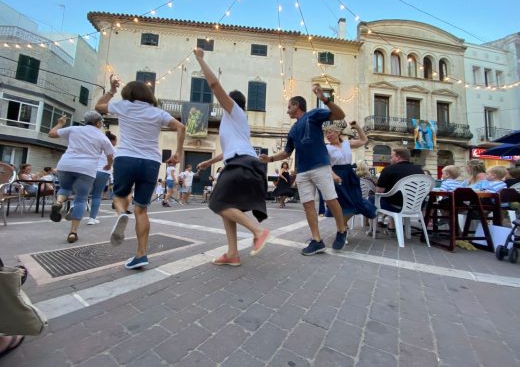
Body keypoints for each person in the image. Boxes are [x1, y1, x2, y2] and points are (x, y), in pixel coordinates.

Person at [95, 74, 185, 269]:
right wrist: (178, 152)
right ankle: (141, 254)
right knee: (142, 209)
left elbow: (98, 107)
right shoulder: (157, 112)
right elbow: (181, 126)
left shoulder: (123, 105)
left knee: (119, 196)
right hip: (151, 162)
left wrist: (111, 90)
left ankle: (121, 214)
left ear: (129, 93)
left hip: (126, 158)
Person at [194, 47, 270, 266]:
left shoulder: (234, 111)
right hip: (243, 164)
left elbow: (215, 86)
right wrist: (209, 161)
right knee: (227, 208)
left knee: (217, 202)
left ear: (232, 102)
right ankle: (232, 254)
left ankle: (258, 231)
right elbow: (230, 150)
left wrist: (200, 59)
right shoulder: (236, 123)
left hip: (242, 165)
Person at [260, 85, 348, 255]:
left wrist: (324, 99)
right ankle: (317, 241)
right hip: (302, 171)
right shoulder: (292, 129)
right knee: (308, 205)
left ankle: (342, 230)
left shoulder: (313, 114)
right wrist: (269, 159)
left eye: (288, 107)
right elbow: (286, 152)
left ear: (296, 105)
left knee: (331, 200)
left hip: (320, 166)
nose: (287, 111)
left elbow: (340, 115)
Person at [48, 112, 115, 243]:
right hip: (86, 169)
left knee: (65, 188)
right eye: (101, 122)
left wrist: (60, 123)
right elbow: (110, 154)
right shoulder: (102, 137)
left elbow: (51, 134)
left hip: (66, 164)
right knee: (80, 199)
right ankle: (73, 233)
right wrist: (108, 165)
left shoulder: (73, 129)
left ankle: (59, 202)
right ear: (97, 122)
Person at [324, 122, 376, 246]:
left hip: (350, 175)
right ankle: (342, 231)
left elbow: (364, 140)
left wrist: (358, 127)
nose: (328, 135)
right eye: (326, 133)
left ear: (338, 132)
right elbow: (325, 164)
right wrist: (333, 175)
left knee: (355, 203)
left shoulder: (347, 144)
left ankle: (342, 228)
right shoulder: (326, 148)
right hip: (336, 176)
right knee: (341, 206)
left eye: (330, 132)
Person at [372, 148, 424, 230]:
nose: (390, 159)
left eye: (392, 157)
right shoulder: (419, 170)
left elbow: (379, 191)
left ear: (398, 157)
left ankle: (372, 228)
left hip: (394, 206)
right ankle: (392, 225)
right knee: (392, 197)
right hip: (415, 206)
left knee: (372, 199)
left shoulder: (389, 169)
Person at [87, 131, 118, 225]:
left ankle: (73, 208)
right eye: (116, 141)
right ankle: (92, 219)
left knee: (83, 193)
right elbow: (114, 162)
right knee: (97, 195)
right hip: (104, 172)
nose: (116, 143)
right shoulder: (113, 149)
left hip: (90, 170)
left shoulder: (97, 146)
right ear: (112, 141)